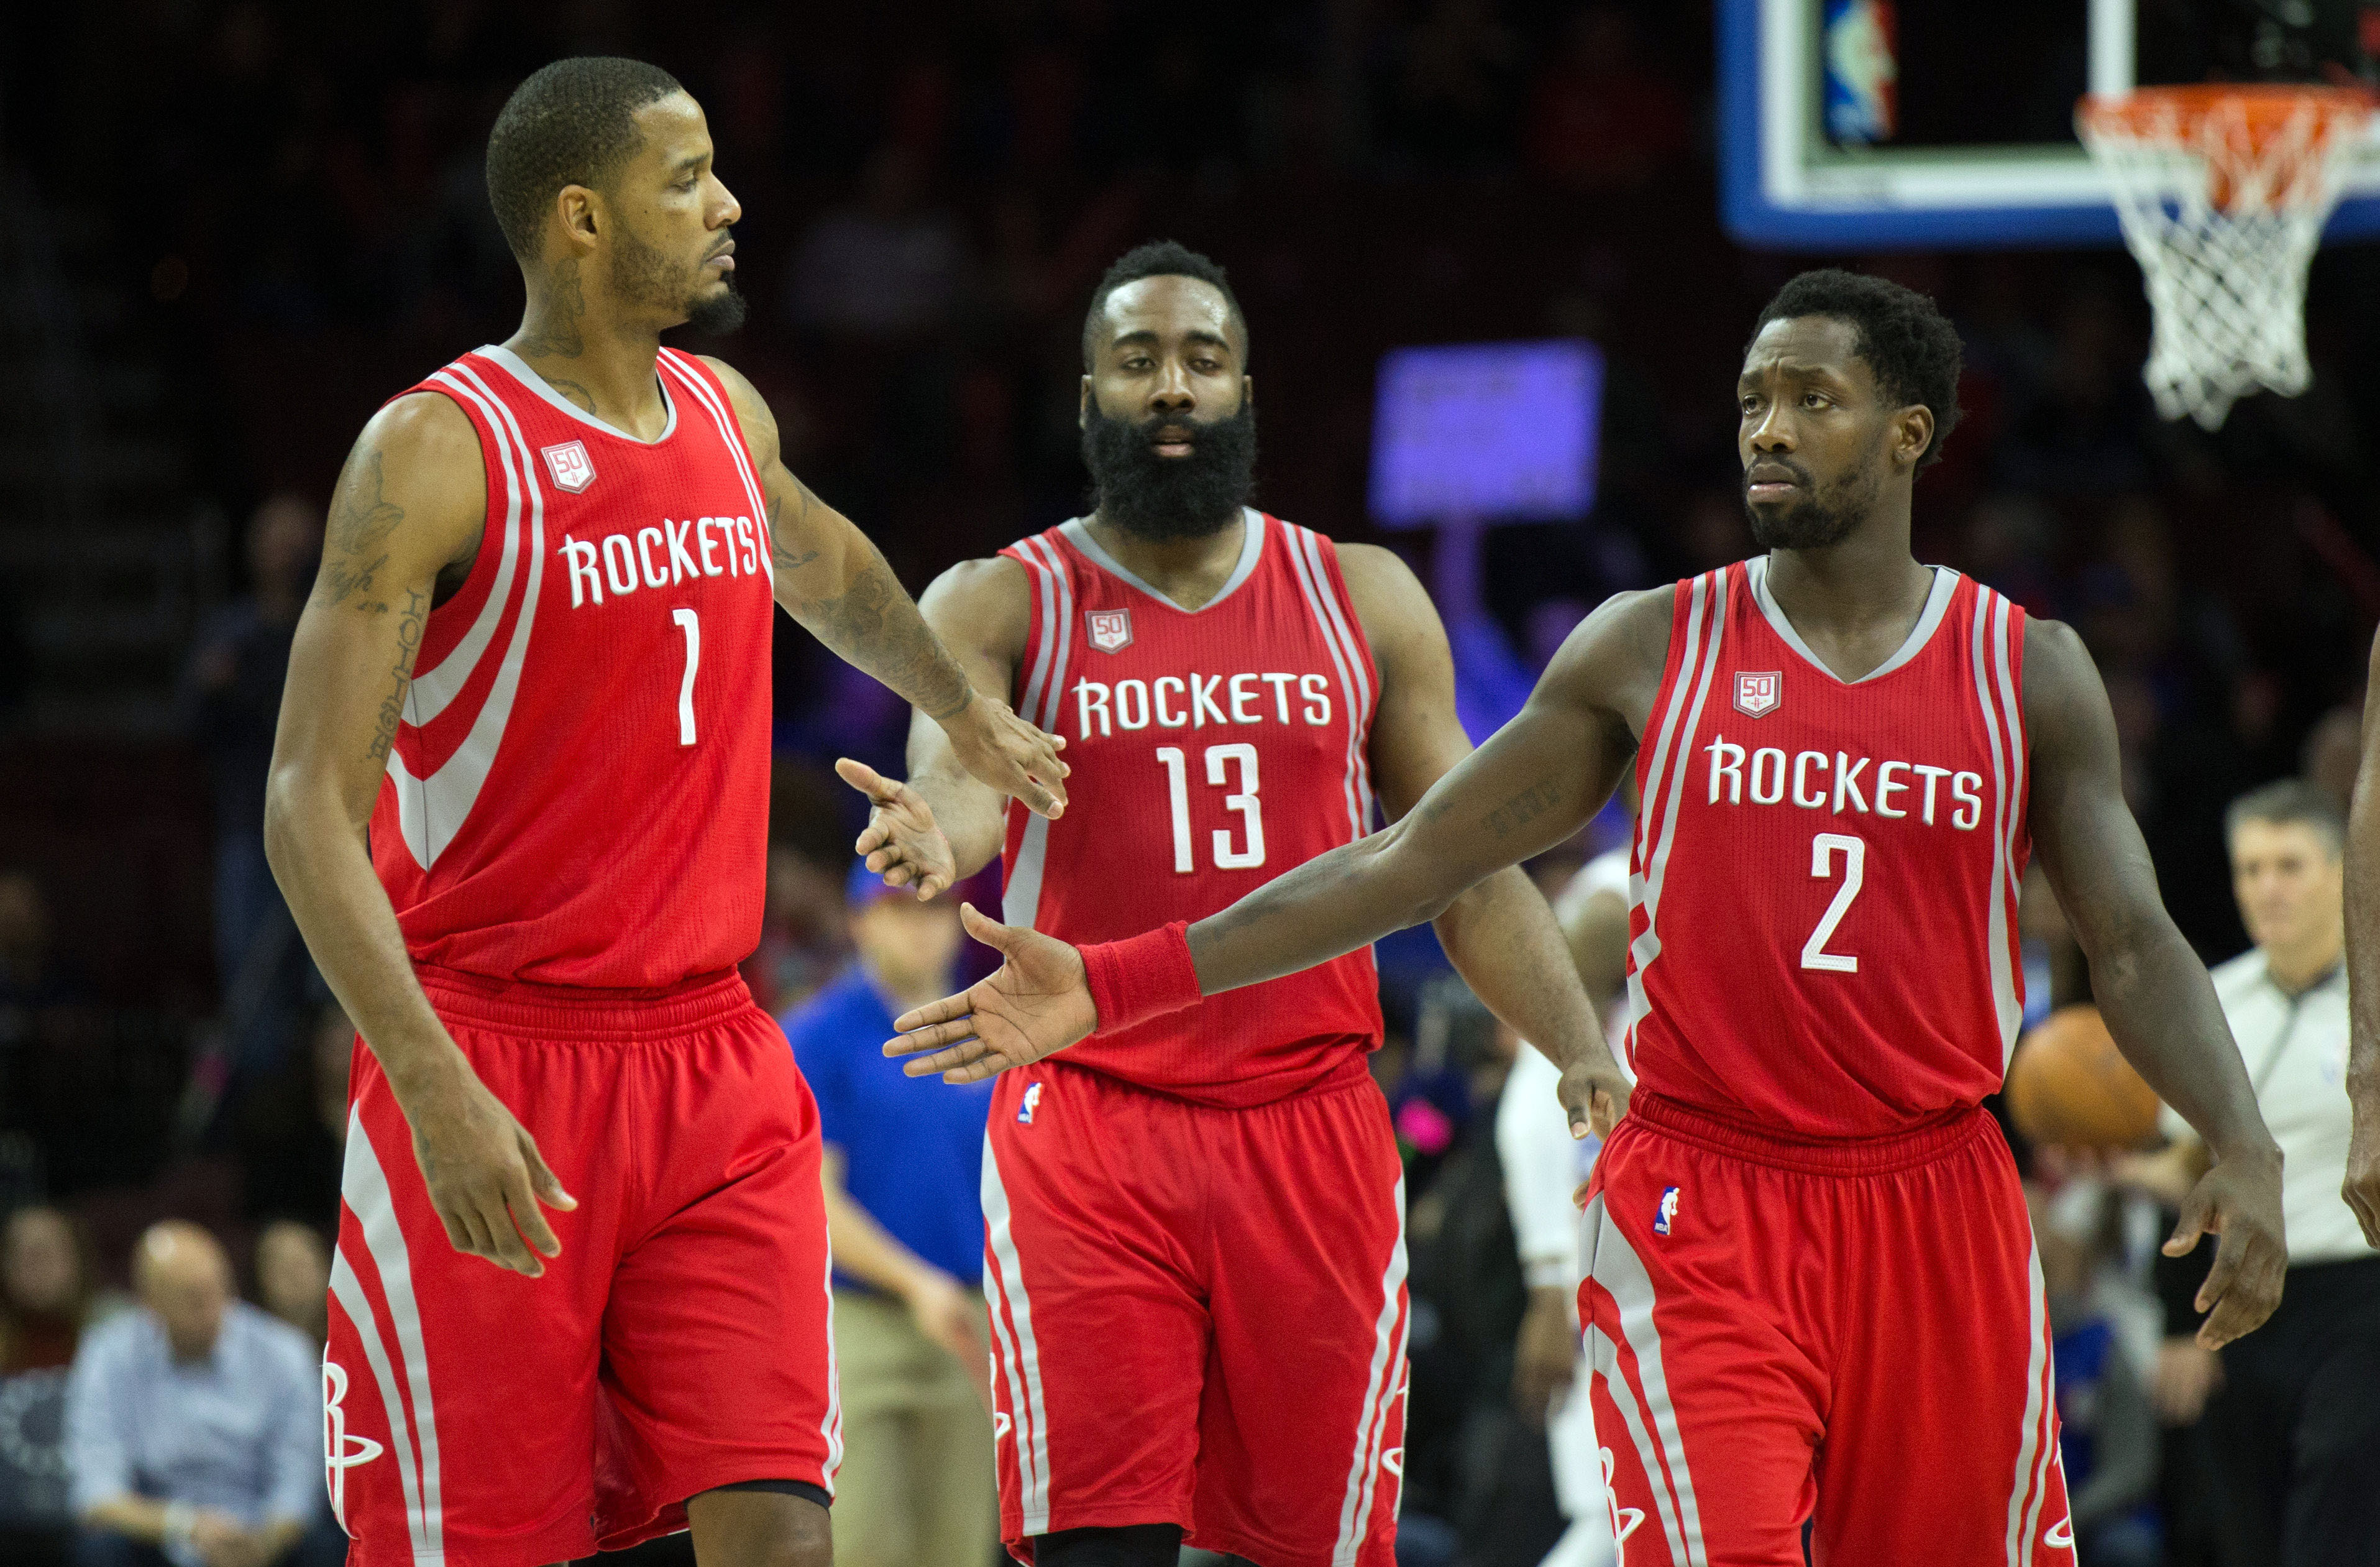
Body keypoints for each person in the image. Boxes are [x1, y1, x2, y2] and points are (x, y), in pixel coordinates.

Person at [886, 268, 2293, 1564]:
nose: (1769, 428)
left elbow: (2136, 940)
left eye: (1812, 400)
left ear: (1912, 433)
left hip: (1926, 1190)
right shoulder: (1646, 643)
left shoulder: (2023, 670)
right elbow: (1416, 858)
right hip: (1689, 1189)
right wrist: (1073, 940)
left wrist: (2238, 1137)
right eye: (1751, 400)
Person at [261, 56, 1065, 1567]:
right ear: (580, 217)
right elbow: (306, 808)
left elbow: (824, 566)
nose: (728, 203)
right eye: (686, 178)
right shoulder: (435, 450)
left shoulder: (723, 411)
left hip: (713, 1057)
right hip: (497, 1052)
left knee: (782, 1529)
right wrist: (429, 1086)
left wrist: (968, 714)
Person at [840, 240, 1610, 1566]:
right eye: (1137, 362)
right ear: (1088, 399)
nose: (1174, 386)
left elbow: (1466, 862)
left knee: (1300, 1548)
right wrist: (932, 833)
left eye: (1203, 358)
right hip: (1093, 1120)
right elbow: (961, 780)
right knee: (1103, 1545)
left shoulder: (1362, 595)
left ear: (1246, 391)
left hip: (1308, 1124)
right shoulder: (999, 597)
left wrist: (1579, 1047)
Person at [2116, 780, 2377, 1565]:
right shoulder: (2209, 1002)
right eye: (2250, 868)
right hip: (2241, 1294)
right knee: (2242, 1528)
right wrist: (2172, 1323)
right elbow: (2187, 1174)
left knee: (2335, 1506)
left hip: (2360, 1296)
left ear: (2342, 871)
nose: (2267, 887)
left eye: (2289, 865)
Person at [780, 863, 997, 1567]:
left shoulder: (990, 1027)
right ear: (860, 920)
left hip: (973, 1316)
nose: (921, 927)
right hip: (862, 1321)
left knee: (963, 1543)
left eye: (936, 910)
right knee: (864, 1541)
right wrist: (914, 1282)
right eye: (899, 909)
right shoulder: (819, 1035)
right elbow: (814, 1195)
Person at [63, 1223, 332, 1567]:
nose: (213, 1308)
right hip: (157, 1536)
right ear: (150, 1303)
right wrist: (185, 1525)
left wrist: (262, 1546)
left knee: (324, 1544)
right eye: (192, 1297)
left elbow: (297, 1485)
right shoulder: (109, 1354)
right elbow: (96, 1495)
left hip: (261, 1535)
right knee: (98, 1549)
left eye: (218, 1289)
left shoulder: (283, 1352)